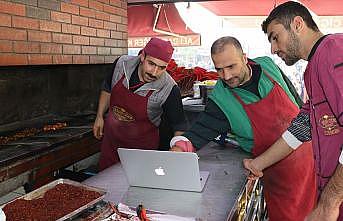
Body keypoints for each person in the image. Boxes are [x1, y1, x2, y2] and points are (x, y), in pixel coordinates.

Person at [170, 36, 316, 221]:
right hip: (276, 173)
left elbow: (295, 99)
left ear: (244, 58)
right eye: (219, 70)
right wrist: (178, 149)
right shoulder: (221, 100)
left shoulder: (268, 65)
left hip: (312, 160)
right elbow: (198, 132)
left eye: (231, 67)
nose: (226, 76)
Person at [243, 1, 343, 221]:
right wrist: (258, 164)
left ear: (297, 24)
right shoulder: (311, 71)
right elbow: (301, 129)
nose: (273, 49)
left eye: (275, 37)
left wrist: (329, 202)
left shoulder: (334, 51)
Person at [93, 37, 185, 171]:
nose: (154, 72)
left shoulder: (169, 88)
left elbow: (179, 125)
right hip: (112, 144)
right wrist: (99, 116)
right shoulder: (121, 64)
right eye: (151, 64)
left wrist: (176, 150)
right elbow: (108, 88)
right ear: (142, 56)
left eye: (161, 68)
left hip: (142, 154)